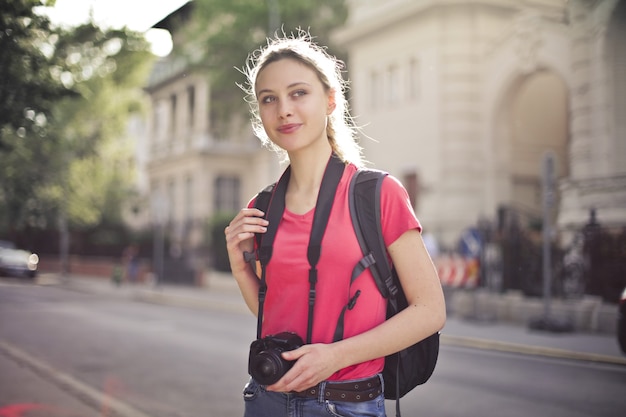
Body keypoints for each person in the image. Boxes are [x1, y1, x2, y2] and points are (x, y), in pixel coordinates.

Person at [225, 32, 446, 417]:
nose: (284, 110)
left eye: (298, 93)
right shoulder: (261, 207)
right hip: (265, 400)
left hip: (346, 404)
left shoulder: (378, 194)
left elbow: (430, 311)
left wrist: (336, 357)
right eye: (269, 99)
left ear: (330, 100)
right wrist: (239, 267)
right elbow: (274, 310)